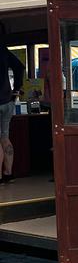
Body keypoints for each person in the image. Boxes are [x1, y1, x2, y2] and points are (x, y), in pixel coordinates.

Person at [0, 34, 25, 184]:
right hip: (8, 101)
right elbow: (19, 67)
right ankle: (8, 173)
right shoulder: (3, 50)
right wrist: (16, 89)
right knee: (4, 137)